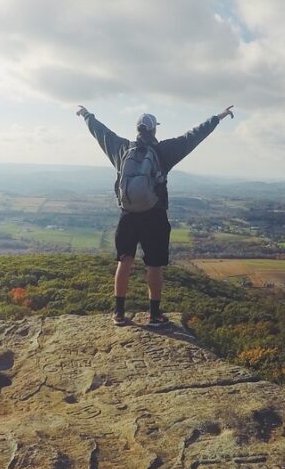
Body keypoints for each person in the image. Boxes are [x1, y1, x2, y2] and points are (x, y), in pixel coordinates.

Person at [76, 104, 235, 326]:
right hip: (154, 216)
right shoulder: (163, 152)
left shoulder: (121, 149)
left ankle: (119, 313)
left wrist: (85, 114)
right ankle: (154, 315)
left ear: (137, 129)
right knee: (153, 266)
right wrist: (217, 118)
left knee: (125, 261)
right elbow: (193, 136)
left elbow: (99, 131)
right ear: (154, 130)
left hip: (128, 215)